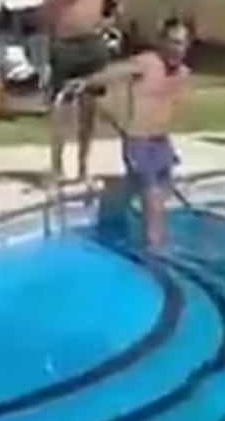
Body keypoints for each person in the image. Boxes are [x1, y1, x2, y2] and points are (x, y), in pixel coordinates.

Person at [82, 17, 194, 248]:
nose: (175, 49)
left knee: (159, 200)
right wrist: (85, 82)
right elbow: (114, 72)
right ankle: (154, 259)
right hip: (139, 143)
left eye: (181, 43)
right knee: (153, 210)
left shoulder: (183, 74)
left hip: (162, 143)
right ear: (161, 42)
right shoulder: (147, 63)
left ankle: (130, 232)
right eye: (172, 42)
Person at [43, 0, 129, 181]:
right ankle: (57, 167)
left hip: (92, 42)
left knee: (89, 108)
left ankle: (83, 166)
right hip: (65, 42)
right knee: (61, 107)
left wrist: (114, 17)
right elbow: (45, 8)